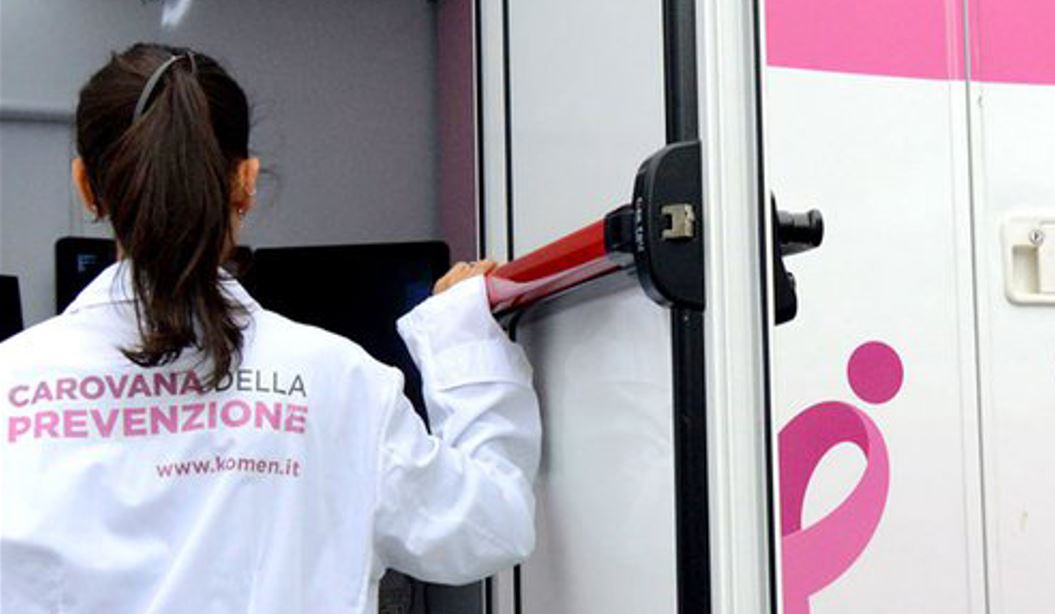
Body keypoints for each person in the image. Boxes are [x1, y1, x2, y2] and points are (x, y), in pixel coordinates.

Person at [0, 43, 540, 614]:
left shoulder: (7, 385)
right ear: (246, 181)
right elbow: (487, 527)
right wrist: (460, 336)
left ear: (86, 186)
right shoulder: (336, 381)